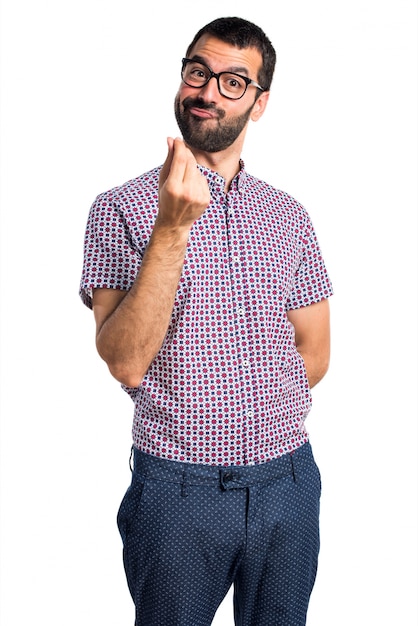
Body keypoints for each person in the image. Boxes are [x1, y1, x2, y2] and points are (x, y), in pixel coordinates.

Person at [79, 16, 333, 626]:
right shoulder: (121, 209)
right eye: (198, 71)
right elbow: (124, 360)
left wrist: (260, 426)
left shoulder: (289, 216)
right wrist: (171, 227)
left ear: (260, 102)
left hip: (288, 486)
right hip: (177, 493)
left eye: (233, 81)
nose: (208, 91)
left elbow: (315, 354)